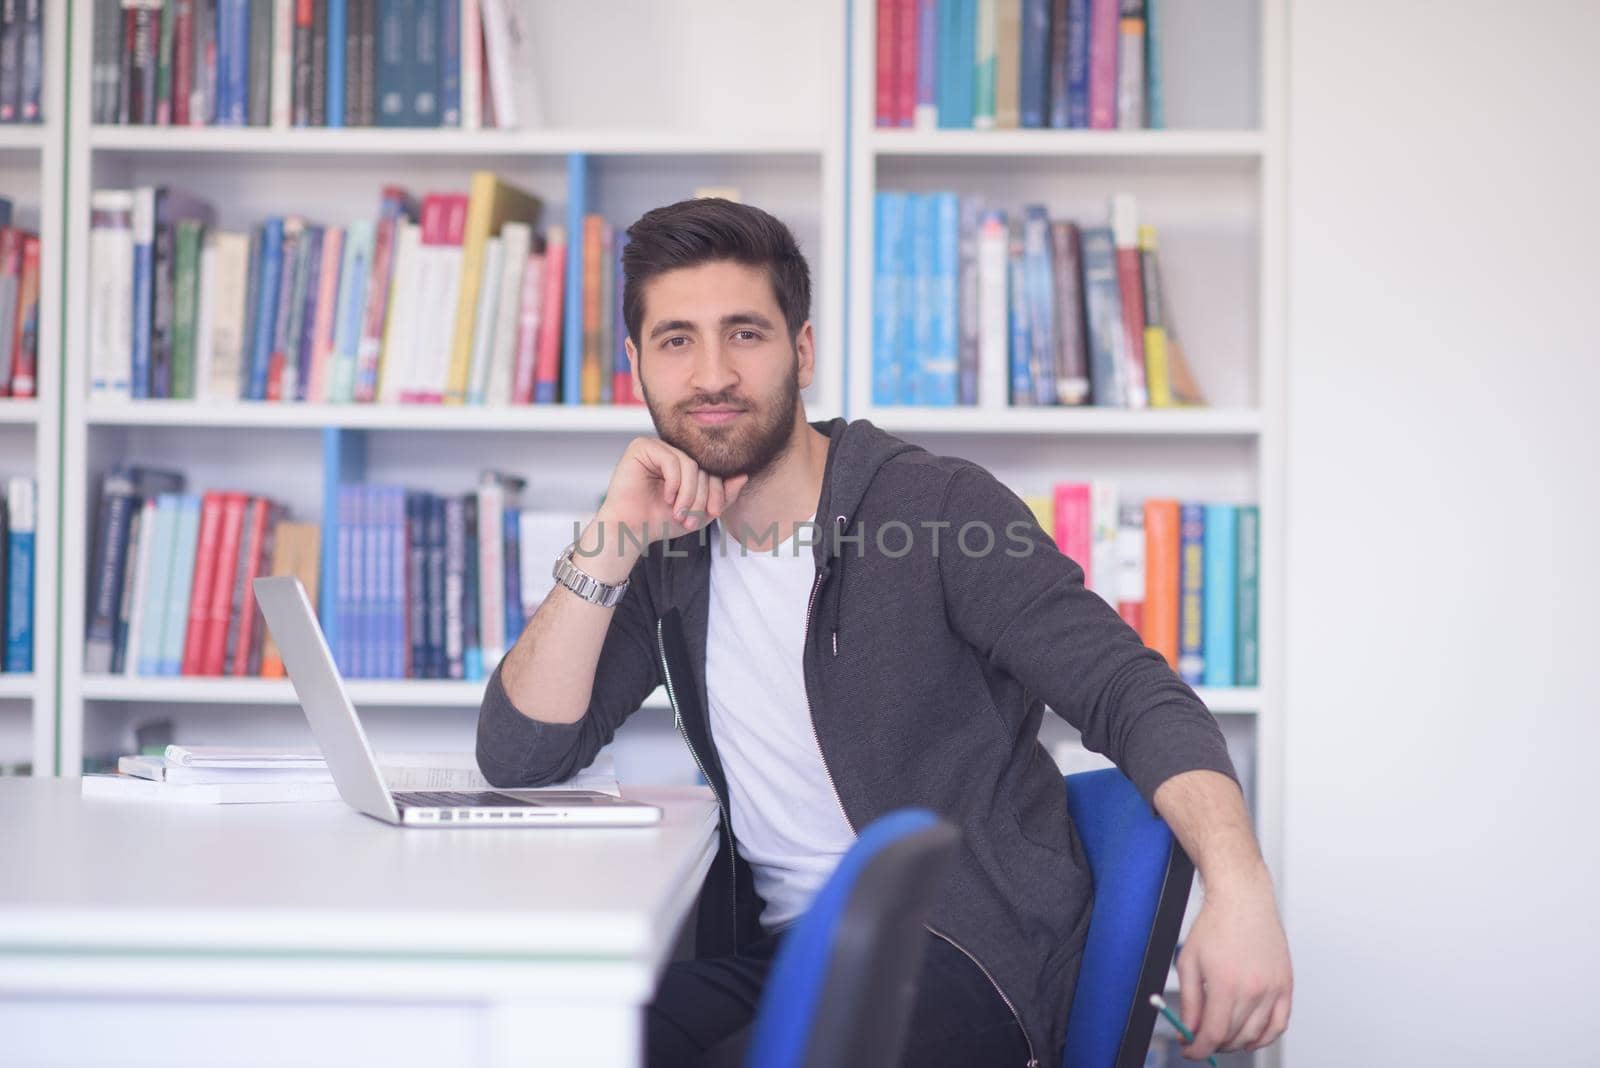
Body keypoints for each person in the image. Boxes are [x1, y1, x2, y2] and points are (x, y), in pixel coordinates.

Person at [476, 197, 1291, 1067]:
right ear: (638, 363)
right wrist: (613, 537)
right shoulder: (670, 549)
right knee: (557, 1040)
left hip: (966, 957)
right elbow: (523, 756)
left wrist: (1240, 888)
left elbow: (1132, 691)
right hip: (782, 955)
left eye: (744, 334)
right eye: (678, 340)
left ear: (803, 350)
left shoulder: (939, 510)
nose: (712, 374)